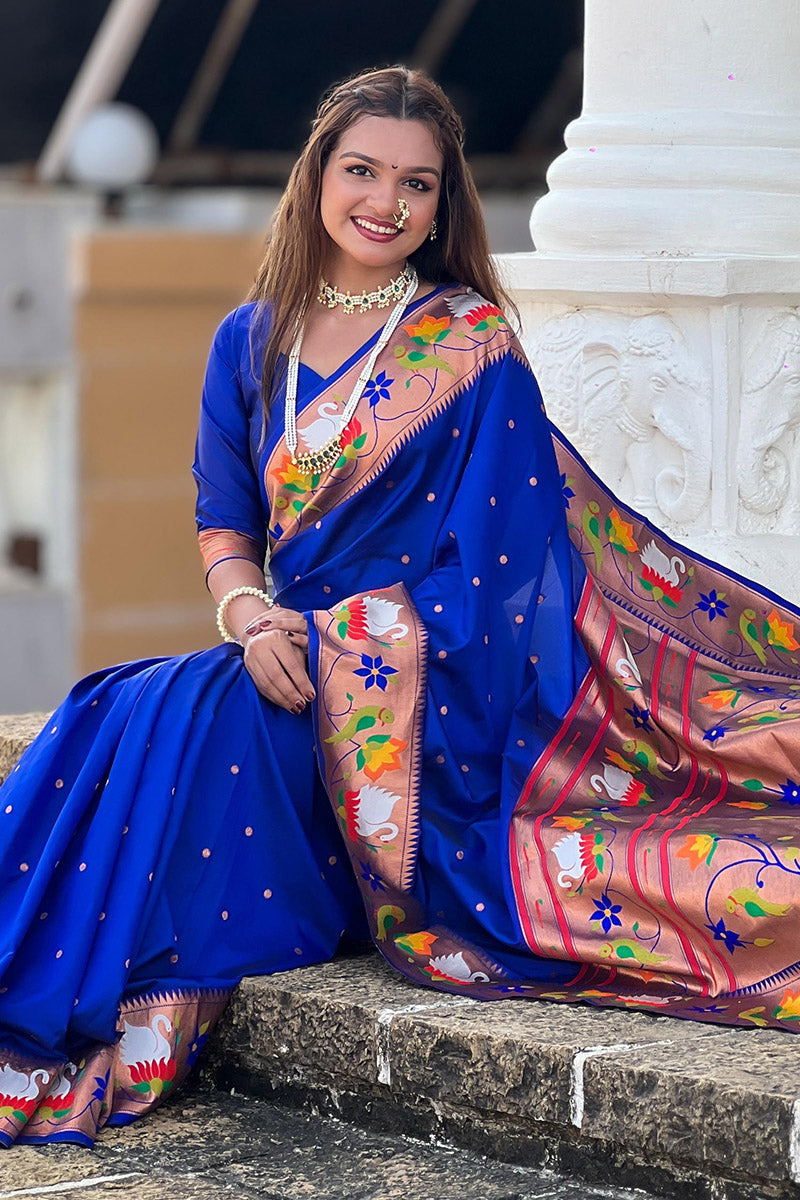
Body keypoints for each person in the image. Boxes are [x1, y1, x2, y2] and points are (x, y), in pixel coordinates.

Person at [1, 65, 799, 1148]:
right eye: (362, 171)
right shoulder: (250, 338)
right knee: (115, 704)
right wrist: (248, 616)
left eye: (415, 184)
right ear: (316, 175)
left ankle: (112, 1019)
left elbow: (509, 585)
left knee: (189, 718)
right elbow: (224, 526)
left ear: (444, 203)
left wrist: (346, 646)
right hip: (281, 652)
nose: (385, 204)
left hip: (419, 704)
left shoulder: (469, 346)